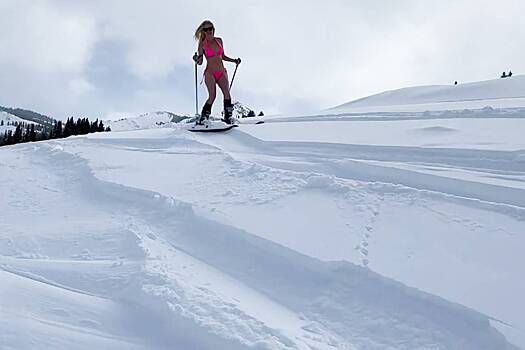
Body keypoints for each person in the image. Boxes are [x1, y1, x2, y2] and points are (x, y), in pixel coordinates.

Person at [193, 20, 241, 124]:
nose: (209, 31)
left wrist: (234, 61)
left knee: (227, 94)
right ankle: (204, 118)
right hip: (210, 73)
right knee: (212, 96)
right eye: (206, 29)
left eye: (211, 28)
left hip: (221, 72)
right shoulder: (202, 44)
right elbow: (200, 62)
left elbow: (222, 56)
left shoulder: (219, 40)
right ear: (203, 31)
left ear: (213, 29)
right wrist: (196, 59)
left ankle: (228, 118)